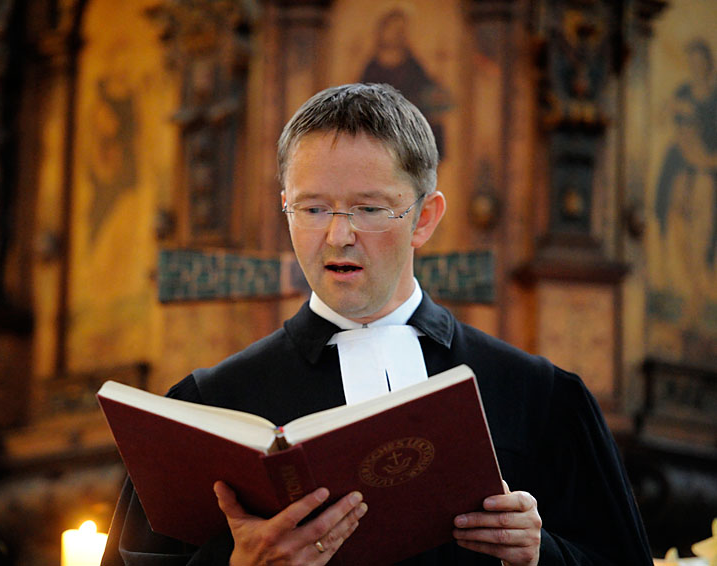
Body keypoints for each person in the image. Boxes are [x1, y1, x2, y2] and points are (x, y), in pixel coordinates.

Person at [101, 83, 653, 565]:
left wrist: (540, 554)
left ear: (424, 218)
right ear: (285, 208)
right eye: (313, 209)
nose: (338, 236)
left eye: (368, 208)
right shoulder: (209, 406)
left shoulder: (539, 398)